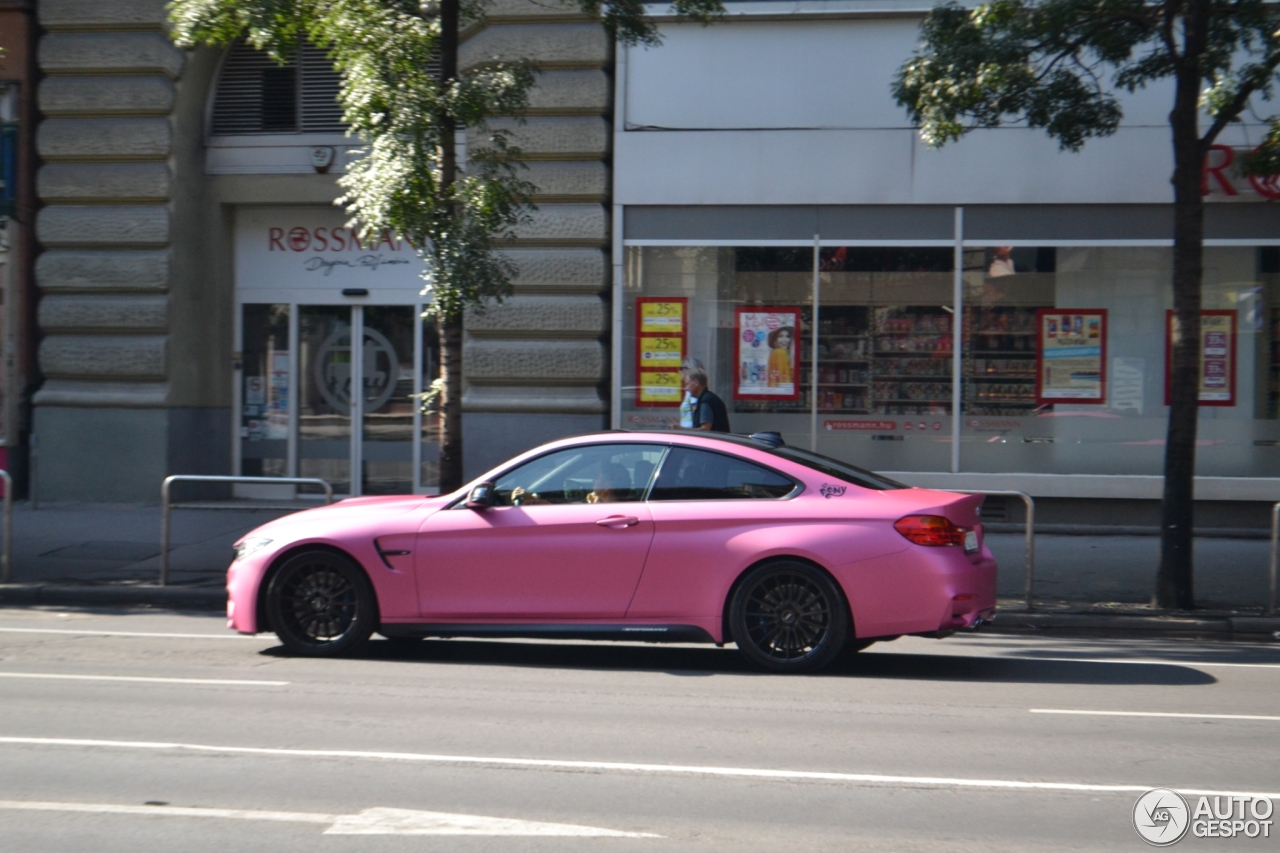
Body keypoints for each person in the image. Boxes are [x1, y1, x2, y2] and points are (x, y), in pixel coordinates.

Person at [684, 368, 730, 433]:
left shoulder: (705, 401)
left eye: (687, 384)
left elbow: (705, 430)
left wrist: (681, 430)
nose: (686, 388)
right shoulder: (709, 398)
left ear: (696, 383)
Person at [677, 357, 704, 429]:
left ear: (688, 369)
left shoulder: (692, 391)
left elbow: (696, 417)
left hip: (690, 435)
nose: (679, 371)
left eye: (681, 368)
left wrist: (681, 429)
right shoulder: (690, 390)